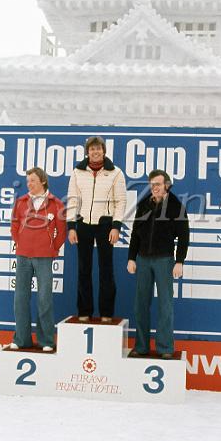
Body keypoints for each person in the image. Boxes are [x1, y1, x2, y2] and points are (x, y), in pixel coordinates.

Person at [127, 169, 189, 359]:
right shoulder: (144, 205)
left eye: (158, 184)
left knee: (165, 305)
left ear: (167, 186)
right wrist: (131, 258)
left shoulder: (176, 207)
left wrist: (179, 261)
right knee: (140, 305)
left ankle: (165, 348)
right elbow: (135, 233)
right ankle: (141, 346)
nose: (155, 187)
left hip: (164, 261)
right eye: (152, 184)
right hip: (143, 260)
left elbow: (184, 236)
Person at [67, 136, 127, 323]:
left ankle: (106, 313)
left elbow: (121, 201)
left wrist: (116, 226)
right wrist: (71, 227)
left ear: (104, 151)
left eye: (98, 149)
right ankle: (84, 311)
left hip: (105, 225)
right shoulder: (77, 172)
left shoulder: (116, 172)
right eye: (92, 149)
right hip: (83, 224)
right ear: (87, 152)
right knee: (83, 269)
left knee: (106, 270)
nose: (95, 152)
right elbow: (72, 199)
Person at [10, 167, 66, 351]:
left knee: (44, 299)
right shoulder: (20, 202)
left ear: (43, 181)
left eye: (32, 180)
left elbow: (62, 232)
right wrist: (21, 244)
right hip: (23, 256)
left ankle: (46, 341)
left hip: (44, 257)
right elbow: (14, 227)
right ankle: (21, 339)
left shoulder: (56, 204)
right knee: (20, 299)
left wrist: (52, 247)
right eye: (27, 181)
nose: (29, 184)